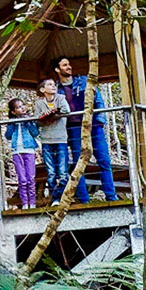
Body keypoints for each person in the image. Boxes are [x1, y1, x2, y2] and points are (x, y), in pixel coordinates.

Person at [51, 56, 118, 202]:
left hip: (93, 126)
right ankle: (84, 199)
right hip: (74, 129)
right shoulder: (55, 89)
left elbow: (98, 100)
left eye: (69, 64)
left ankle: (111, 196)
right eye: (65, 65)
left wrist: (100, 121)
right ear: (57, 69)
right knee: (78, 164)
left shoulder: (83, 82)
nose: (69, 67)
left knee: (104, 161)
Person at [34, 77, 71, 204]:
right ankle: (55, 198)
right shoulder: (39, 104)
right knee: (51, 173)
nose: (54, 86)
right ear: (43, 89)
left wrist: (54, 115)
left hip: (61, 139)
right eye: (50, 84)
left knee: (63, 172)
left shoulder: (61, 98)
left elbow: (66, 111)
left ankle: (59, 197)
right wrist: (45, 117)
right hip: (46, 141)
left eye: (54, 84)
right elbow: (37, 121)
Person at [4, 97, 41, 208]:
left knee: (30, 178)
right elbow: (8, 136)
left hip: (29, 150)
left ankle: (32, 202)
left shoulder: (30, 119)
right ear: (13, 111)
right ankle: (25, 203)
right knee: (22, 179)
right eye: (18, 107)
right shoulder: (12, 122)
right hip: (17, 151)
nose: (22, 108)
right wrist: (12, 123)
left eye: (22, 105)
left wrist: (28, 121)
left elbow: (35, 133)